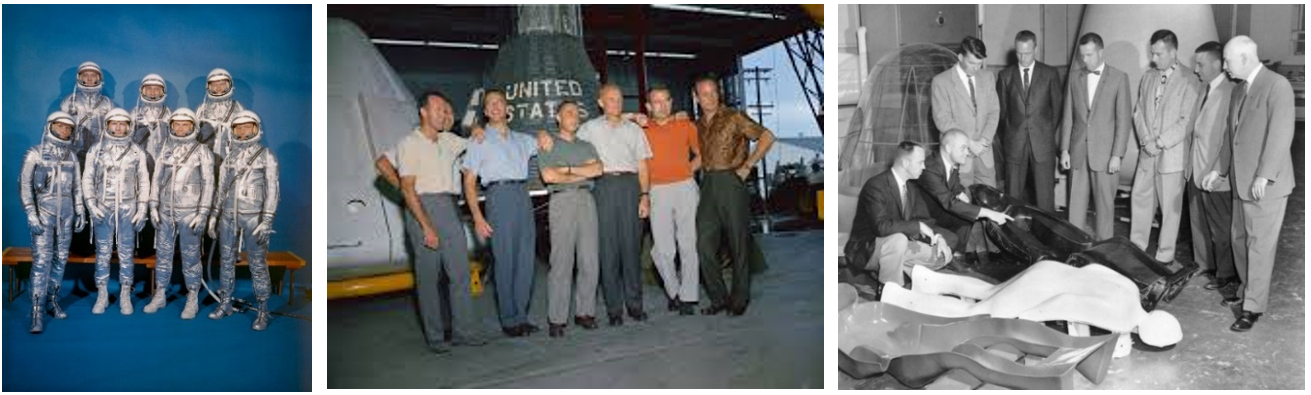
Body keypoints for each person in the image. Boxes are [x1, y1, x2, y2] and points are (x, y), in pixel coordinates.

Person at [1200, 36, 1296, 332]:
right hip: (1240, 182)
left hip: (1265, 185)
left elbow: (1281, 133)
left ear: (1244, 58)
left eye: (1228, 61)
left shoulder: (1277, 85)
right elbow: (1234, 138)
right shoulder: (1239, 90)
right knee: (1239, 240)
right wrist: (1219, 170)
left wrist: (1264, 175)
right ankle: (1245, 289)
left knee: (1259, 246)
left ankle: (1253, 307)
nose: (1224, 66)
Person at [882, 261, 1183, 347]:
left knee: (992, 292)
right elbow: (1067, 303)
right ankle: (897, 298)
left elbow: (1093, 271)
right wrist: (1028, 316)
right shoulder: (1120, 319)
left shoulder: (1132, 293)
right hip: (1043, 289)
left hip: (1051, 270)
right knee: (976, 312)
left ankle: (930, 281)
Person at [397, 90, 486, 352]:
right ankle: (436, 338)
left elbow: (475, 140)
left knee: (459, 273)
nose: (444, 113)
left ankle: (464, 332)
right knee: (428, 279)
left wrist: (478, 130)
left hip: (449, 207)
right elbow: (407, 189)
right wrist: (425, 226)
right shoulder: (408, 144)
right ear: (423, 112)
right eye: (438, 109)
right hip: (422, 208)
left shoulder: (449, 140)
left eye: (446, 109)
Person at [693, 75, 774, 316]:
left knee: (738, 242)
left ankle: (739, 299)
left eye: (714, 92)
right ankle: (718, 298)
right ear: (696, 98)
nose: (711, 97)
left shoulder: (734, 116)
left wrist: (748, 165)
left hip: (731, 180)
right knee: (703, 243)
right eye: (704, 94)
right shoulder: (697, 124)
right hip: (708, 183)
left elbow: (767, 136)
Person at [463, 89, 539, 337]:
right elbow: (469, 181)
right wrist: (477, 216)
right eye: (490, 104)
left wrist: (545, 134)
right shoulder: (479, 139)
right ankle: (509, 320)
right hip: (499, 196)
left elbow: (548, 143)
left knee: (526, 259)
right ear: (485, 112)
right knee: (505, 260)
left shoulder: (523, 140)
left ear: (508, 109)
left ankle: (522, 315)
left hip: (522, 196)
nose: (495, 106)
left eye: (500, 102)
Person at [577, 83, 654, 325]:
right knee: (607, 250)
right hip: (603, 187)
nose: (616, 103)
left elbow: (643, 165)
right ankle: (614, 310)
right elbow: (567, 142)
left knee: (631, 248)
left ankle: (635, 305)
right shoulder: (588, 129)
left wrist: (645, 195)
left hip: (631, 186)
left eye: (619, 98)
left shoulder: (634, 130)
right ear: (600, 103)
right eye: (610, 99)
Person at [1129, 29, 1200, 265]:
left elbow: (1187, 121)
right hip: (1147, 152)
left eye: (1158, 54)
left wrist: (1159, 142)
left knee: (1171, 209)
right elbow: (1138, 112)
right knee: (1140, 200)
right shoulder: (1148, 76)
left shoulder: (1190, 79)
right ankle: (1137, 247)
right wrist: (1146, 140)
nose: (1154, 58)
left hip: (1172, 156)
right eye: (1152, 53)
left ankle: (1165, 255)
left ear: (1173, 52)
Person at [844, 141, 953, 288]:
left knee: (943, 256)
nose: (924, 167)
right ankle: (890, 291)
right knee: (899, 240)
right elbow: (881, 227)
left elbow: (923, 220)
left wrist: (939, 238)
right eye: (920, 162)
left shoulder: (911, 187)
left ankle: (893, 269)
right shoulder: (875, 185)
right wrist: (918, 226)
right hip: (868, 248)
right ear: (906, 163)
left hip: (897, 247)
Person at [208, 110, 279, 330]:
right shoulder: (229, 157)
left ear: (256, 128)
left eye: (247, 127)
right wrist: (213, 216)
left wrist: (267, 220)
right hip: (228, 216)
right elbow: (221, 190)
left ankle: (263, 310)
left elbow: (273, 191)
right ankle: (226, 303)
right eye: (238, 128)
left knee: (258, 264)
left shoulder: (266, 156)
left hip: (254, 218)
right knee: (226, 262)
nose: (242, 131)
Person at [538, 100, 603, 337]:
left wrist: (566, 169)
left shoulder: (587, 145)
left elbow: (597, 170)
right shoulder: (548, 144)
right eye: (568, 113)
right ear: (558, 117)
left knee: (589, 259)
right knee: (561, 261)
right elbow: (548, 176)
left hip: (586, 200)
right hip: (562, 202)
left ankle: (585, 312)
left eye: (577, 114)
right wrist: (579, 171)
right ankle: (557, 318)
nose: (574, 117)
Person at [1060, 32, 1132, 241]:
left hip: (1106, 154)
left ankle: (1105, 252)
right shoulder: (1074, 77)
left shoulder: (1119, 78)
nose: (1085, 60)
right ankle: (1074, 248)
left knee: (1105, 208)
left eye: (1089, 55)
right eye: (1082, 56)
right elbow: (1068, 116)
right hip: (1078, 153)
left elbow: (1123, 120)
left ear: (1101, 52)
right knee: (1075, 206)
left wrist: (1117, 155)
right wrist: (1065, 149)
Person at [143, 109, 213, 319]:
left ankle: (192, 296)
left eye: (185, 125)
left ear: (193, 127)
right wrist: (153, 206)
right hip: (166, 211)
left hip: (190, 212)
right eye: (177, 125)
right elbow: (156, 179)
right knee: (162, 255)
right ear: (171, 126)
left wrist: (202, 213)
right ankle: (161, 293)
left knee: (191, 256)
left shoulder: (202, 151)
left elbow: (209, 184)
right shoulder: (165, 148)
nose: (181, 129)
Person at [20, 111, 85, 332]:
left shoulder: (72, 157)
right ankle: (36, 310)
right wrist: (31, 212)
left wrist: (79, 210)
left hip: (66, 214)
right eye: (60, 127)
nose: (64, 131)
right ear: (50, 127)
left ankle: (52, 299)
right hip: (44, 213)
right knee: (41, 261)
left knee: (61, 260)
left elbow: (77, 186)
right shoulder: (35, 154)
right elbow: (24, 185)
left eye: (68, 128)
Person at [83, 108, 150, 315]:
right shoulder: (96, 149)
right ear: (107, 125)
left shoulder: (137, 151)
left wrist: (142, 208)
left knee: (126, 252)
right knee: (102, 253)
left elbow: (144, 180)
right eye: (114, 123)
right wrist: (91, 204)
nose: (119, 128)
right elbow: (87, 178)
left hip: (128, 206)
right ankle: (102, 293)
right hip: (104, 206)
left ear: (129, 127)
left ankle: (125, 294)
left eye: (123, 124)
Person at [642, 85, 702, 315]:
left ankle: (688, 297)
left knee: (688, 243)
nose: (662, 105)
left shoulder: (685, 124)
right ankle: (674, 290)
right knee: (662, 250)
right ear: (648, 106)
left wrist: (686, 171)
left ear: (671, 101)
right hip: (657, 190)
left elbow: (701, 155)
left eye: (666, 100)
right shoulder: (642, 129)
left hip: (685, 187)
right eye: (656, 102)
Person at [1187, 41, 1238, 291]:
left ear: (1218, 64)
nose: (1196, 69)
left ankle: (1227, 275)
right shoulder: (1204, 89)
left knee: (1221, 228)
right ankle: (1205, 266)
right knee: (1200, 224)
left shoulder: (1231, 92)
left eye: (1200, 64)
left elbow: (1229, 138)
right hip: (1196, 168)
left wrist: (1218, 170)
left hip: (1214, 173)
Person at [914, 129, 1013, 253]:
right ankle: (948, 256)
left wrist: (958, 192)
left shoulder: (953, 161)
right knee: (955, 234)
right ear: (949, 148)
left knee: (967, 218)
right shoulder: (930, 168)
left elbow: (954, 185)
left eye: (967, 148)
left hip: (938, 210)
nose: (967, 152)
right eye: (963, 148)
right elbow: (949, 202)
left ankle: (956, 255)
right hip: (923, 218)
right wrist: (989, 213)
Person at [996, 30, 1063, 212]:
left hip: (1042, 144)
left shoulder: (1050, 74)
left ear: (1036, 49)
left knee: (1045, 198)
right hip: (1014, 143)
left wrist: (1044, 132)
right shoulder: (1005, 76)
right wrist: (1011, 135)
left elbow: (1057, 110)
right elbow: (1002, 114)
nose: (1023, 58)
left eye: (1027, 53)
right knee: (1012, 198)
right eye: (1019, 53)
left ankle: (1046, 235)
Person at [931, 36, 1000, 188]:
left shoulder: (988, 77)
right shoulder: (941, 82)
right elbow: (942, 119)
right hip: (958, 157)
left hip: (984, 155)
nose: (976, 68)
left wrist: (984, 140)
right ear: (960, 57)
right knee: (963, 206)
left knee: (991, 205)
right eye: (971, 63)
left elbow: (994, 111)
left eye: (979, 64)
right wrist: (969, 143)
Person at [60, 61, 114, 156]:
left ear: (99, 78)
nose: (89, 79)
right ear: (79, 78)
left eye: (93, 75)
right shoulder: (70, 100)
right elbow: (60, 126)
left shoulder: (107, 103)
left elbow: (112, 128)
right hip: (73, 150)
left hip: (99, 151)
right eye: (85, 75)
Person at [196, 68, 247, 160]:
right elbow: (194, 133)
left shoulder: (238, 107)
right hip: (206, 157)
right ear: (208, 87)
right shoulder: (202, 108)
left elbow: (246, 134)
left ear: (229, 85)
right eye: (215, 85)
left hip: (230, 157)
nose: (219, 88)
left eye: (222, 84)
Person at [131, 73, 172, 158]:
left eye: (157, 89)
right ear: (142, 90)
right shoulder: (136, 112)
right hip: (140, 156)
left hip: (161, 156)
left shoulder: (167, 113)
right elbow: (128, 137)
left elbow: (172, 139)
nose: (152, 93)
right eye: (149, 89)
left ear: (163, 91)